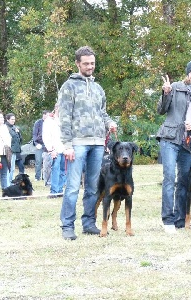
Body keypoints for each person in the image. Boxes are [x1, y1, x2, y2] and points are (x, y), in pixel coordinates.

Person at [58, 46, 117, 240]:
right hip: (77, 143)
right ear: (77, 64)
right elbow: (64, 117)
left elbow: (103, 113)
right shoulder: (69, 87)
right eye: (86, 63)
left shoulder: (99, 88)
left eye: (92, 63)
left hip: (98, 144)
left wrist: (109, 123)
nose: (90, 66)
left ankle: (88, 223)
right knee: (73, 187)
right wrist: (66, 145)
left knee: (92, 187)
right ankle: (67, 226)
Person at [157, 59, 191, 233]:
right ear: (188, 74)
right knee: (170, 177)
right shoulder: (176, 87)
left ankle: (180, 219)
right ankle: (167, 219)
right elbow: (161, 110)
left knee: (184, 180)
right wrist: (165, 93)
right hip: (170, 138)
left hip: (188, 142)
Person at [43, 102, 66, 198]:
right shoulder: (49, 121)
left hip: (64, 149)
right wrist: (50, 149)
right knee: (55, 170)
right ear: (56, 109)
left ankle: (60, 190)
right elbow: (46, 136)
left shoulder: (65, 120)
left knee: (63, 170)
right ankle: (54, 191)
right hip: (55, 149)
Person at [32, 110, 50, 181]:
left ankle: (45, 177)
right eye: (47, 115)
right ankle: (37, 177)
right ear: (44, 115)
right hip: (39, 144)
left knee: (47, 162)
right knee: (38, 161)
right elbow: (34, 134)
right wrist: (36, 144)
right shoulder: (38, 123)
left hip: (47, 144)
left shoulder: (50, 123)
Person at [6, 113, 23, 185]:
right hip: (9, 150)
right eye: (12, 119)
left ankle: (10, 182)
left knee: (12, 168)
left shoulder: (15, 127)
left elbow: (20, 139)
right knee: (9, 168)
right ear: (7, 119)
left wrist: (18, 133)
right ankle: (8, 183)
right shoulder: (6, 128)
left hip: (15, 150)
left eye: (14, 119)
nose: (13, 120)